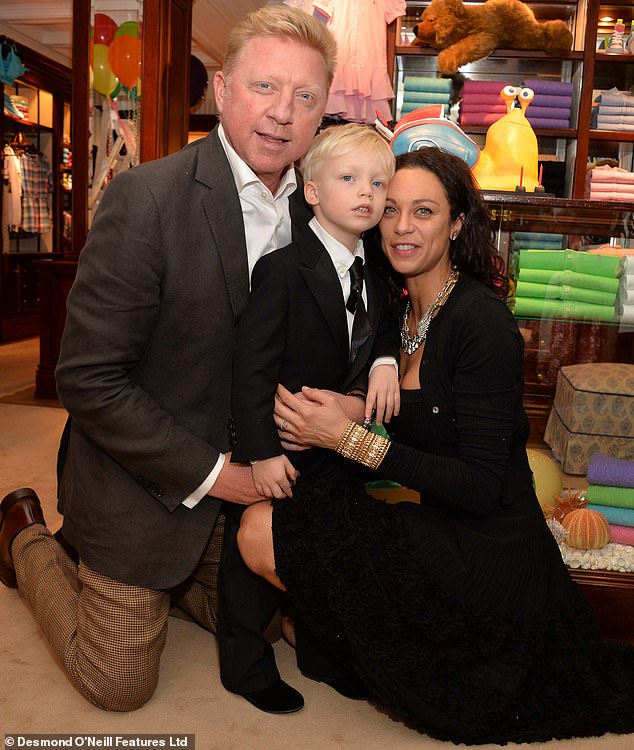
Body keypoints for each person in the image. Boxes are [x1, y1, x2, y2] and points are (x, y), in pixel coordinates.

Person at [0, 4, 337, 715]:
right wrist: (221, 477)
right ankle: (25, 536)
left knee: (305, 632)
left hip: (256, 486)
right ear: (222, 89)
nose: (283, 114)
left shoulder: (322, 212)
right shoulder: (146, 198)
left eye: (306, 96)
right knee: (118, 681)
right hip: (145, 483)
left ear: (322, 111)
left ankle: (185, 585)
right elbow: (87, 379)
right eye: (265, 88)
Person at [235, 147, 634, 744]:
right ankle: (331, 635)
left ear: (456, 224)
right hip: (438, 527)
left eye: (423, 211)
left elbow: (478, 484)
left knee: (267, 532)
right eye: (390, 209)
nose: (400, 227)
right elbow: (409, 417)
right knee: (271, 524)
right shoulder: (395, 311)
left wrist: (348, 437)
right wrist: (352, 409)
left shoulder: (482, 323)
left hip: (493, 555)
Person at [223, 123, 399, 707]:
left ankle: (320, 651)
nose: (365, 193)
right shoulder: (282, 269)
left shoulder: (378, 271)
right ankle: (245, 666)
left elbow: (384, 332)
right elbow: (250, 372)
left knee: (327, 552)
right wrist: (263, 453)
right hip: (284, 445)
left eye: (378, 182)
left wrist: (383, 363)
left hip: (340, 444)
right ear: (313, 190)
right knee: (254, 555)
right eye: (348, 179)